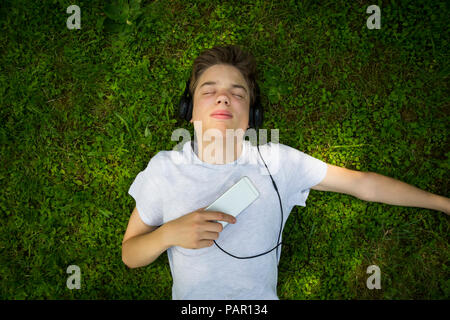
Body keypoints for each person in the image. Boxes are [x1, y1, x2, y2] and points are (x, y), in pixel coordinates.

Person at [121, 45, 450, 300]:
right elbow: (130, 254)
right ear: (189, 110)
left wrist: (443, 203)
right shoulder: (165, 169)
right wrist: (168, 234)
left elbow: (363, 184)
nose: (223, 97)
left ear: (251, 116)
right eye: (208, 91)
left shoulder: (277, 161)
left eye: (238, 93)